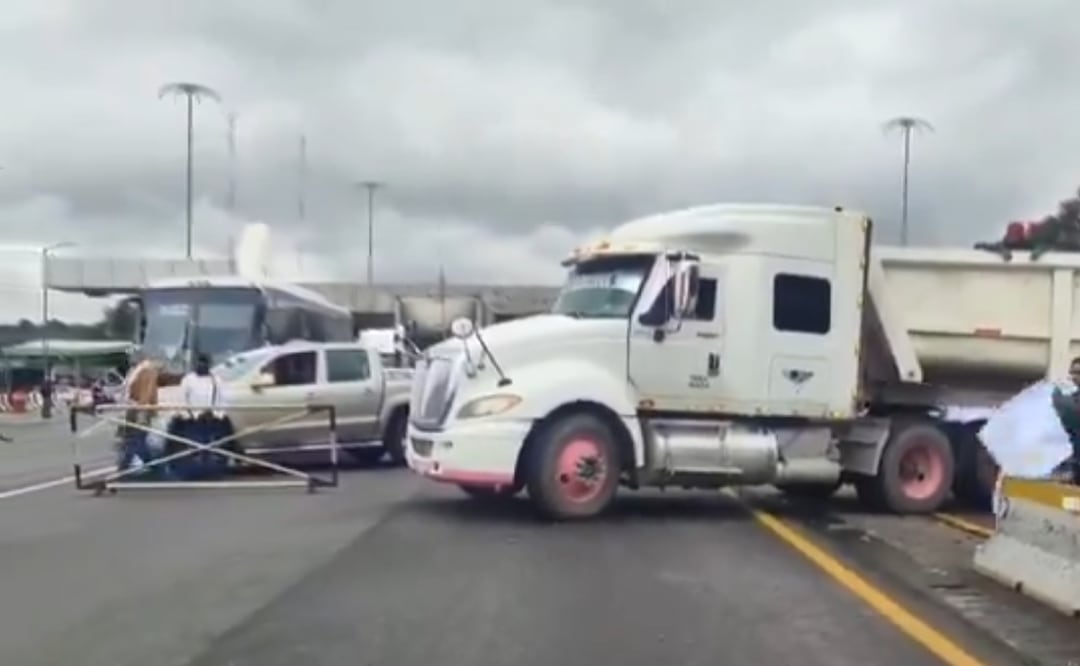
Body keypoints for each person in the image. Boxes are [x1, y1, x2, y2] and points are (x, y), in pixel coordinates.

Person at [173, 354, 231, 479]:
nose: (202, 365)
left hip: (212, 419)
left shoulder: (216, 380)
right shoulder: (188, 380)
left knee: (211, 447)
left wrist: (217, 414)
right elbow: (182, 399)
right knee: (194, 446)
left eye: (205, 363)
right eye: (200, 363)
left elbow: (223, 399)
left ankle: (211, 472)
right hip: (193, 420)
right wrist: (191, 415)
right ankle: (194, 472)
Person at [117, 357, 162, 476]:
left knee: (136, 440)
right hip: (134, 409)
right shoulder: (137, 370)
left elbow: (146, 393)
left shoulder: (147, 371)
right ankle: (153, 466)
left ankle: (155, 467)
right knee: (134, 440)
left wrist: (142, 410)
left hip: (139, 410)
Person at [1050, 357, 1080, 483]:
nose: (1075, 377)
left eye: (1078, 373)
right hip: (1073, 464)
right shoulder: (1070, 399)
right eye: (1073, 373)